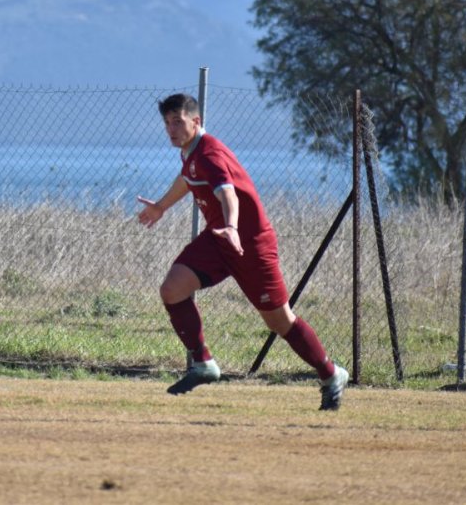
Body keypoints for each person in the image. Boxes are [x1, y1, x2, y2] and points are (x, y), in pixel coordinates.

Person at [137, 93, 348, 409]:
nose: (171, 129)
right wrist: (161, 207)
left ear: (196, 121)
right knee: (172, 290)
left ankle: (331, 374)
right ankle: (204, 363)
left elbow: (228, 195)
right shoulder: (191, 153)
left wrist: (233, 228)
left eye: (178, 122)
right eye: (167, 123)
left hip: (250, 244)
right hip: (218, 240)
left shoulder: (209, 154)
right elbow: (188, 178)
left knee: (280, 322)